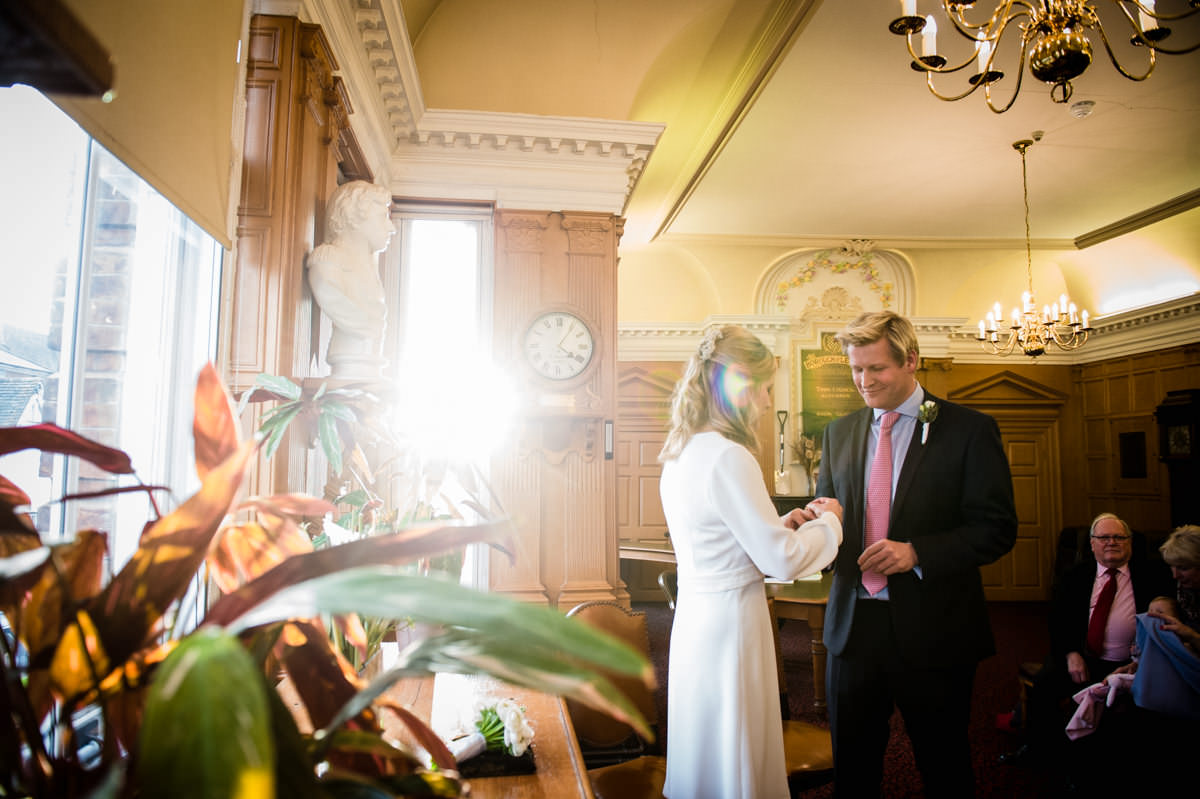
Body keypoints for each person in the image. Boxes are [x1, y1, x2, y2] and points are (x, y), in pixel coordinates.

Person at [810, 310, 1017, 799]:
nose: (864, 381)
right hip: (853, 630)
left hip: (936, 631)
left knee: (944, 765)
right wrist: (813, 524)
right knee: (853, 771)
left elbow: (997, 529)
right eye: (856, 369)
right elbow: (832, 514)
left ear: (911, 361)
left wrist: (917, 552)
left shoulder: (968, 429)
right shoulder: (838, 433)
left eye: (876, 368)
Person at [658, 324, 844, 799]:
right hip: (733, 622)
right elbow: (781, 563)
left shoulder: (681, 453)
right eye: (763, 389)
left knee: (709, 746)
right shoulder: (729, 456)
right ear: (738, 384)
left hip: (699, 620)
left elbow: (720, 535)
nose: (765, 402)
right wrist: (830, 526)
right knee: (737, 748)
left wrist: (779, 522)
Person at [1020, 513, 1174, 765]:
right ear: (1092, 544)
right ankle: (1040, 749)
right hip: (1083, 657)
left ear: (1130, 542)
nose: (1111, 542)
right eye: (1103, 537)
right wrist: (1071, 654)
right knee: (1045, 685)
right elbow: (1058, 621)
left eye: (1118, 537)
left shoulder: (1154, 575)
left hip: (1132, 662)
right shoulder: (1074, 576)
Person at [307, 180, 395, 378]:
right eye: (382, 217)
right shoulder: (329, 260)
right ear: (354, 218)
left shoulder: (369, 269)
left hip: (368, 364)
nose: (391, 227)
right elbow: (327, 291)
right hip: (347, 362)